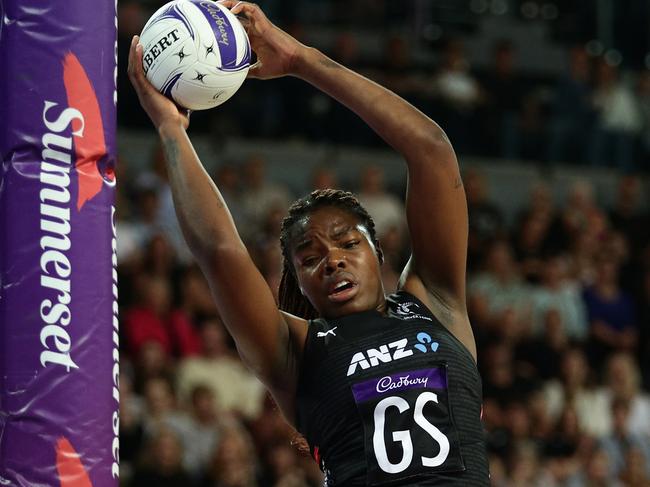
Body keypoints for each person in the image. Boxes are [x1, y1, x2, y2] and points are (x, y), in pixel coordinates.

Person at [127, 2, 489, 485]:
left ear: (378, 253)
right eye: (310, 258)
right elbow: (220, 252)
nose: (332, 261)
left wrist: (300, 60)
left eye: (346, 243)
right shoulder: (298, 352)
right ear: (298, 282)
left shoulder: (438, 304)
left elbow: (431, 150)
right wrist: (171, 129)